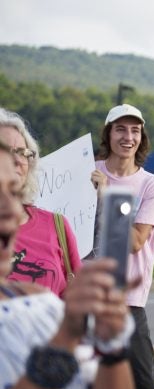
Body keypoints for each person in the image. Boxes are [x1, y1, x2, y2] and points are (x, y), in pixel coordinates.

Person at [0, 140, 135, 389]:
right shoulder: (59, 324)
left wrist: (111, 345)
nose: (11, 210)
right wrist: (64, 338)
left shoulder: (42, 303)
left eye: (14, 192)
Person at [90, 103, 154, 389]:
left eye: (135, 130)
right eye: (120, 129)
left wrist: (107, 195)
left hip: (129, 302)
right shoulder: (83, 173)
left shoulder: (151, 184)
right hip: (86, 298)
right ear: (108, 134)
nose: (128, 136)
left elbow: (136, 242)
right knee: (85, 388)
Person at [0, 107, 82, 297]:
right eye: (5, 151)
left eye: (22, 152)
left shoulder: (57, 225)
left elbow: (77, 301)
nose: (17, 161)